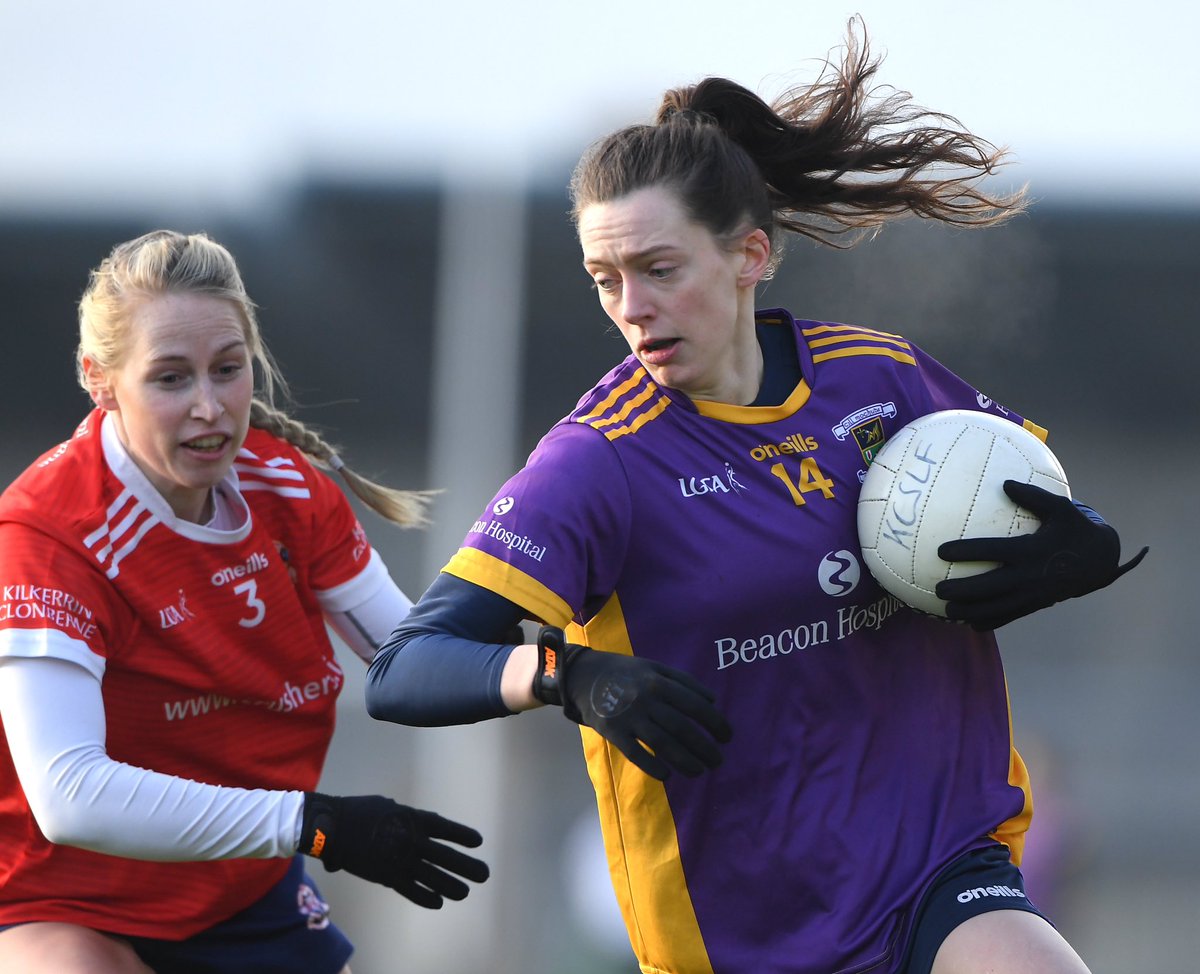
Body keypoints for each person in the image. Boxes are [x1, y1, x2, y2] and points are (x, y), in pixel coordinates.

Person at [364, 19, 1146, 974]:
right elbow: (405, 668)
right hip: (740, 935)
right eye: (604, 279)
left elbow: (1043, 505)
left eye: (659, 269)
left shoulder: (880, 382)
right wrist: (572, 678)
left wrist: (1086, 547)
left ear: (751, 256)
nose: (631, 307)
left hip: (936, 868)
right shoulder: (599, 463)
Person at [0, 230, 489, 974]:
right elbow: (69, 796)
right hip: (65, 901)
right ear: (98, 379)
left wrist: (556, 670)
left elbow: (410, 659)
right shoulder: (48, 536)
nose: (210, 407)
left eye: (228, 370)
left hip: (239, 893)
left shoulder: (287, 485)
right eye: (170, 379)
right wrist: (315, 825)